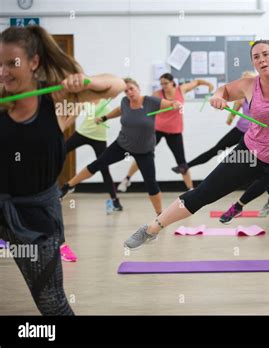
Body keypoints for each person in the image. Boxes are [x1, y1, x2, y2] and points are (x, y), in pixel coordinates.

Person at [123, 39, 269, 315]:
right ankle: (152, 228)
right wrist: (218, 97)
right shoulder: (249, 85)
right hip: (251, 153)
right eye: (256, 56)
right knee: (203, 193)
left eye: (266, 54)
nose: (261, 60)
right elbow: (223, 90)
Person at [0, 25, 125, 314]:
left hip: (37, 217)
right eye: (0, 64)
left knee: (52, 304)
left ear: (34, 63)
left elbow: (116, 84)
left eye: (12, 63)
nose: (4, 72)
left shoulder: (58, 104)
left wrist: (85, 81)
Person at [60, 78, 181, 216]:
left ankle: (160, 215)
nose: (129, 92)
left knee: (151, 183)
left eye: (131, 89)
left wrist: (175, 103)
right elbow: (119, 110)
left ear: (138, 88)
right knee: (98, 164)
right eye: (126, 90)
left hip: (144, 151)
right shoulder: (125, 102)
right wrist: (104, 118)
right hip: (122, 145)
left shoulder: (151, 102)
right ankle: (67, 187)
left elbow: (171, 104)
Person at [117, 74, 214, 192]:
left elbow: (197, 81)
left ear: (173, 82)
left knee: (181, 162)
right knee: (142, 154)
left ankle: (191, 190)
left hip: (175, 132)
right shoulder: (157, 94)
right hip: (157, 130)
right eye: (161, 84)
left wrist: (209, 84)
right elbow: (143, 103)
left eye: (166, 83)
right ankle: (127, 179)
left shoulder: (181, 89)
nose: (163, 86)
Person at [59, 98, 119, 262]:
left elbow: (115, 87)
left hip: (99, 137)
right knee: (60, 151)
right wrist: (62, 127)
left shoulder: (107, 99)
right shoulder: (84, 100)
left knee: (104, 168)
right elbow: (73, 115)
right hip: (83, 132)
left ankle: (114, 200)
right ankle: (55, 188)